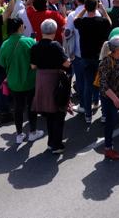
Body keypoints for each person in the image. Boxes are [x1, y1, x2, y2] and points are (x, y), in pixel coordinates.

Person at [0, 17, 42, 144]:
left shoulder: (5, 44)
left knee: (18, 108)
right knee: (31, 107)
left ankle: (19, 134)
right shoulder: (29, 41)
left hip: (13, 82)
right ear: (19, 27)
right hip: (30, 81)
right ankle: (33, 132)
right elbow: (37, 60)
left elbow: (1, 62)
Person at [30, 19, 71, 154]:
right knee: (59, 112)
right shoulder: (56, 46)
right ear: (54, 31)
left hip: (41, 79)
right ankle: (56, 144)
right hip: (55, 79)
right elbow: (66, 64)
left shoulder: (35, 46)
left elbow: (33, 66)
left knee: (49, 113)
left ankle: (51, 143)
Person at [73, 0, 112, 123]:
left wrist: (84, 10)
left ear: (86, 7)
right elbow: (109, 22)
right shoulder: (102, 21)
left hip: (86, 56)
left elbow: (75, 19)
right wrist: (103, 10)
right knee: (103, 85)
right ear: (96, 8)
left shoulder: (82, 22)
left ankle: (88, 115)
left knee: (88, 86)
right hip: (99, 57)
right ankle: (105, 115)